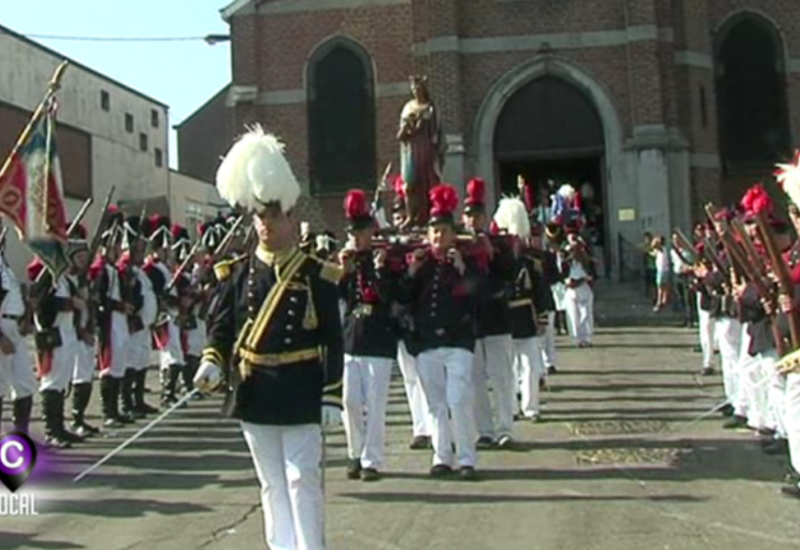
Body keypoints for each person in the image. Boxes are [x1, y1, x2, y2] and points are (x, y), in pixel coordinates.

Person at [194, 126, 344, 550]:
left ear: (292, 217)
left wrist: (332, 394)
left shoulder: (317, 274)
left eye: (274, 216)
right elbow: (222, 325)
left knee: (302, 480)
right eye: (260, 216)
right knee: (271, 484)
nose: (266, 225)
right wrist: (211, 360)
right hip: (256, 389)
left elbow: (333, 338)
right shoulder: (237, 272)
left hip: (300, 388)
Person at [400, 183, 481, 479]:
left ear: (452, 234)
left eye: (444, 231)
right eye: (434, 231)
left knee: (458, 398)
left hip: (458, 339)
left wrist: (462, 268)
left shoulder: (465, 261)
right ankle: (441, 455)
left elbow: (475, 294)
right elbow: (404, 297)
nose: (438, 236)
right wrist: (410, 271)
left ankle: (467, 457)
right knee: (435, 403)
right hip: (428, 341)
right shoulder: (421, 265)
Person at [338, 189, 399, 482]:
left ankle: (371, 459)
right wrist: (342, 272)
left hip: (378, 339)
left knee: (375, 404)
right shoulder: (348, 261)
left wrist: (379, 270)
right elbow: (337, 298)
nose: (356, 239)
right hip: (351, 339)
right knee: (350, 401)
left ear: (370, 232)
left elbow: (392, 298)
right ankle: (354, 451)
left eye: (360, 233)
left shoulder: (384, 259)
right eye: (353, 234)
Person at [462, 177, 517, 449]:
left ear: (484, 217)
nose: (472, 221)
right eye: (468, 216)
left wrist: (492, 253)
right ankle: (484, 429)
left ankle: (505, 427)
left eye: (477, 216)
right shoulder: (459, 246)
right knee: (475, 381)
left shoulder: (499, 243)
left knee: (501, 376)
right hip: (471, 321)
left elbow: (511, 274)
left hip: (496, 317)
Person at [398, 75, 445, 227]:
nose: (415, 91)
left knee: (428, 183)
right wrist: (406, 129)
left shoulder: (430, 107)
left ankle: (430, 213)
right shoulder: (408, 107)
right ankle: (412, 215)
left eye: (418, 88)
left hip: (426, 149)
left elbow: (436, 131)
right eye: (413, 88)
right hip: (411, 150)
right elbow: (401, 134)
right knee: (410, 185)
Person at [651, 235, 671, 312]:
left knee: (660, 287)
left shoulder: (662, 249)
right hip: (663, 270)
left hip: (662, 270)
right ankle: (663, 300)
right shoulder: (662, 251)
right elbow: (654, 253)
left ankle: (660, 302)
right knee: (663, 286)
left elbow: (655, 246)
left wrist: (654, 242)